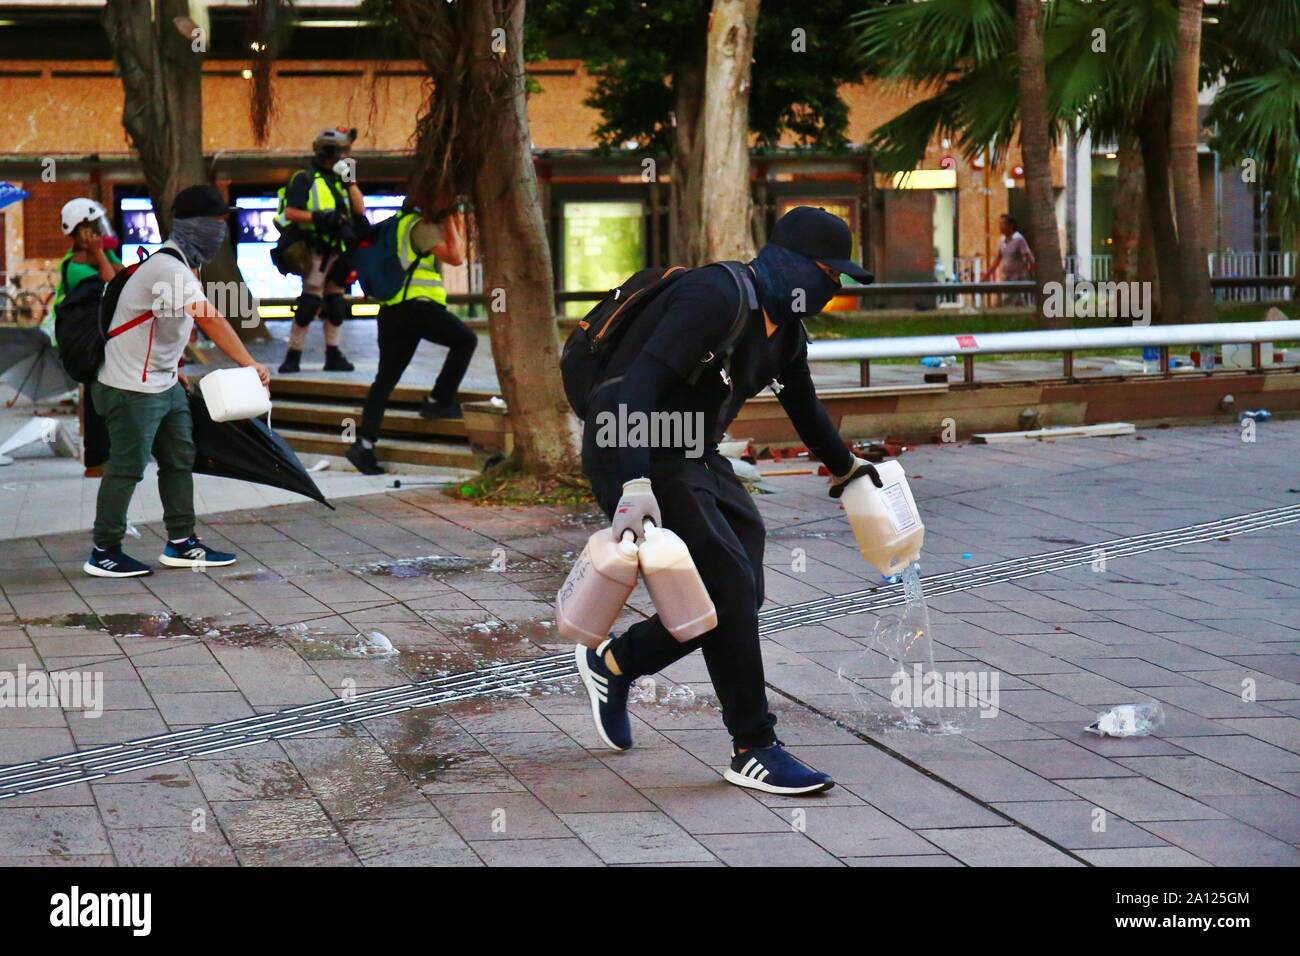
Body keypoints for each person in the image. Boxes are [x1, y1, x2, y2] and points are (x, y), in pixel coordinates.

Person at [574, 206, 879, 796]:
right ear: (792, 266)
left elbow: (803, 406)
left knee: (740, 591)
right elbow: (637, 386)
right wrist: (634, 485)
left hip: (692, 452)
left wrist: (848, 470)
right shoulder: (717, 295)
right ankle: (753, 746)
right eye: (828, 274)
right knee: (728, 585)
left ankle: (615, 664)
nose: (834, 287)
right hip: (629, 444)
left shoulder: (785, 329)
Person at [84, 185, 271, 578]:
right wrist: (248, 362)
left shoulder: (183, 267)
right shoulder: (168, 268)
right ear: (194, 226)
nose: (222, 230)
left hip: (164, 382)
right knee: (127, 466)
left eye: (224, 222)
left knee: (179, 458)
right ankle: (104, 550)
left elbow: (168, 326)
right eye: (216, 223)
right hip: (130, 386)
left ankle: (182, 542)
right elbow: (210, 318)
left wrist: (174, 366)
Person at [347, 202, 474, 475]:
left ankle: (364, 445)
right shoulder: (419, 226)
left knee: (384, 381)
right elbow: (455, 256)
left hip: (391, 312)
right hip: (418, 308)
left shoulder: (392, 226)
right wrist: (452, 219)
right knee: (466, 340)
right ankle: (438, 402)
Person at [275, 127, 365, 374]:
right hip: (315, 249)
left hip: (339, 250)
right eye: (341, 151)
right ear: (329, 151)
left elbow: (360, 210)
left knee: (336, 304)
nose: (345, 156)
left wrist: (351, 181)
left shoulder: (340, 180)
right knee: (309, 303)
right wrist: (320, 218)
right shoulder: (304, 178)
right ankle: (293, 355)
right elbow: (291, 212)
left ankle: (333, 354)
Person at [50, 199, 124, 476]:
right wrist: (101, 256)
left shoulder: (103, 253)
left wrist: (104, 254)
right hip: (86, 341)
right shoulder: (74, 265)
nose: (100, 232)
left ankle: (112, 452)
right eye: (94, 227)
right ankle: (96, 461)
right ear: (82, 231)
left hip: (106, 335)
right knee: (95, 395)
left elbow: (124, 273)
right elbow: (110, 281)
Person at [981, 213, 1036, 305]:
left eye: (1003, 224)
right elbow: (997, 260)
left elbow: (1028, 256)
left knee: (1004, 303)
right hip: (1006, 277)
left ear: (1011, 226)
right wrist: (987, 275)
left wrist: (1032, 269)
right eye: (1000, 224)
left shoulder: (1019, 239)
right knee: (1017, 303)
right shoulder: (1002, 241)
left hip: (1018, 279)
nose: (1000, 227)